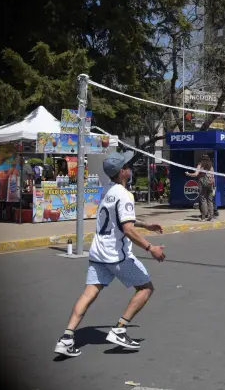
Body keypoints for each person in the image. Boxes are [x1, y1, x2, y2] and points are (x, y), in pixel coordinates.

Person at [54, 151, 166, 358]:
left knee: (88, 294)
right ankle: (120, 330)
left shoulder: (107, 190)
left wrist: (147, 224)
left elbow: (121, 218)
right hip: (116, 255)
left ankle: (67, 338)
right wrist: (151, 248)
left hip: (98, 253)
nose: (131, 169)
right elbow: (128, 229)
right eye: (128, 166)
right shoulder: (125, 195)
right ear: (122, 172)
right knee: (146, 288)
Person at [186, 155, 215, 221]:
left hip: (202, 183)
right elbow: (213, 176)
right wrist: (213, 185)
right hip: (210, 184)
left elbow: (195, 174)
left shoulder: (200, 164)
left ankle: (203, 217)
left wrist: (188, 174)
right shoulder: (210, 165)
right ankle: (211, 217)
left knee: (203, 199)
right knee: (210, 200)